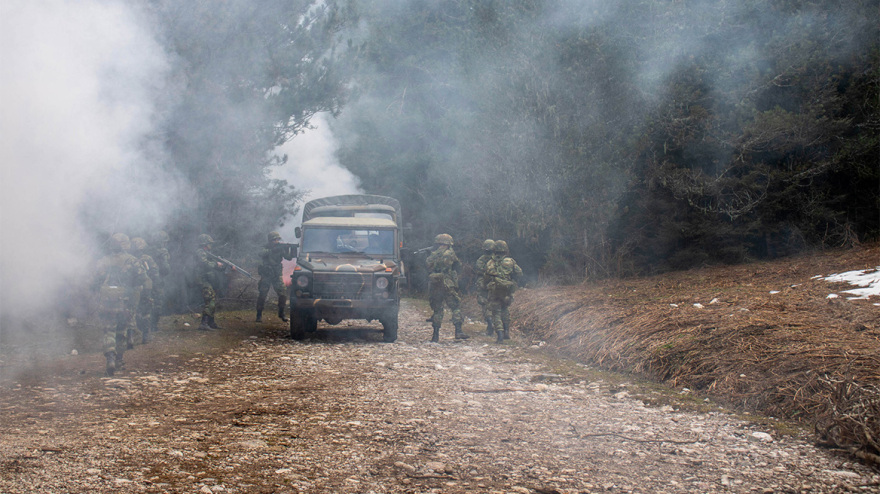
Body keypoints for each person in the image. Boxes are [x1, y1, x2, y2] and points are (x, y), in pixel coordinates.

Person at [90, 233, 147, 375]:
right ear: (125, 245)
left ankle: (110, 357)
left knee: (109, 330)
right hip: (125, 301)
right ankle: (119, 360)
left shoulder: (103, 261)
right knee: (121, 331)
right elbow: (142, 278)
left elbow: (94, 281)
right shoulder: (132, 260)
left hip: (107, 301)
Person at [426, 233, 468, 342]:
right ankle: (458, 331)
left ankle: (435, 335)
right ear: (448, 243)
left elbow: (428, 267)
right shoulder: (450, 253)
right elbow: (458, 266)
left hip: (435, 284)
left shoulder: (432, 255)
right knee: (455, 307)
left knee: (437, 310)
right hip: (447, 284)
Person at [484, 240, 522, 343]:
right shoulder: (510, 261)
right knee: (505, 309)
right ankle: (506, 332)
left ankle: (499, 336)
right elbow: (519, 273)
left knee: (496, 312)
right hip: (507, 289)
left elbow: (486, 277)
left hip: (495, 290)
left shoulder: (490, 262)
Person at [256, 231, 294, 323]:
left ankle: (281, 313)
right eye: (274, 240)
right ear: (270, 240)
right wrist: (272, 250)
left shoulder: (280, 248)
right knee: (262, 294)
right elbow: (260, 253)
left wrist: (289, 249)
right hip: (266, 274)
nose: (276, 241)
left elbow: (289, 257)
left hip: (276, 275)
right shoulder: (265, 247)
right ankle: (259, 315)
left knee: (283, 293)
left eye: (277, 239)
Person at [194, 234, 226, 330]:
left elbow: (215, 266)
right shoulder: (200, 252)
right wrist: (216, 264)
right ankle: (204, 323)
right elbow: (204, 264)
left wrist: (223, 266)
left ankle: (211, 323)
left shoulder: (207, 253)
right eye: (209, 243)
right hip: (202, 279)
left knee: (212, 299)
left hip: (207, 279)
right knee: (210, 300)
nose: (210, 245)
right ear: (204, 243)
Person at [130, 237, 158, 344]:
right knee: (146, 311)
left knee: (132, 311)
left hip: (133, 288)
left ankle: (131, 336)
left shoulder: (129, 259)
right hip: (146, 288)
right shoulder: (147, 258)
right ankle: (146, 335)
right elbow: (155, 273)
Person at [147, 230, 171, 333]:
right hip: (157, 280)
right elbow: (165, 268)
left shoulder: (147, 250)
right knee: (157, 303)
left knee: (147, 301)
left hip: (147, 280)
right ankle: (153, 326)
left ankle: (145, 324)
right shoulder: (162, 252)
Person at [474, 239, 496, 336]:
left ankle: (490, 322)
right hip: (495, 283)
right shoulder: (497, 259)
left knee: (484, 303)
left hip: (482, 283)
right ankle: (496, 325)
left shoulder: (481, 260)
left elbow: (478, 271)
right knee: (495, 303)